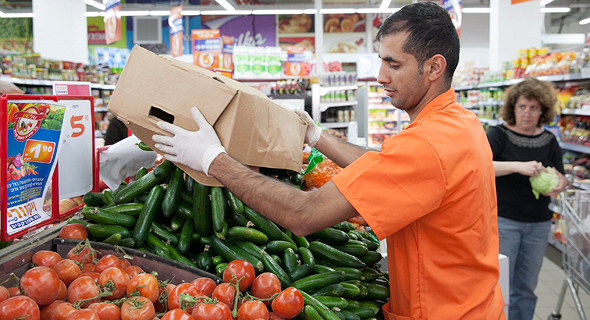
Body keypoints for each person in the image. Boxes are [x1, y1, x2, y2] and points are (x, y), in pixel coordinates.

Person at [152, 2, 506, 319]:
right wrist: (316, 136)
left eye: (393, 64)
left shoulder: (429, 142)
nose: (381, 76)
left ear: (433, 68)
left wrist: (213, 160)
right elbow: (384, 163)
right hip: (472, 303)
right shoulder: (459, 122)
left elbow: (304, 215)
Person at [486, 77, 568, 320]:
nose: (528, 113)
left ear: (543, 110)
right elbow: (481, 166)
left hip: (539, 223)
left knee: (527, 287)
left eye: (534, 108)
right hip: (505, 221)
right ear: (513, 108)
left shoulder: (549, 140)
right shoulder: (498, 134)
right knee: (500, 285)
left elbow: (562, 177)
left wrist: (559, 183)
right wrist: (518, 166)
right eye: (522, 107)